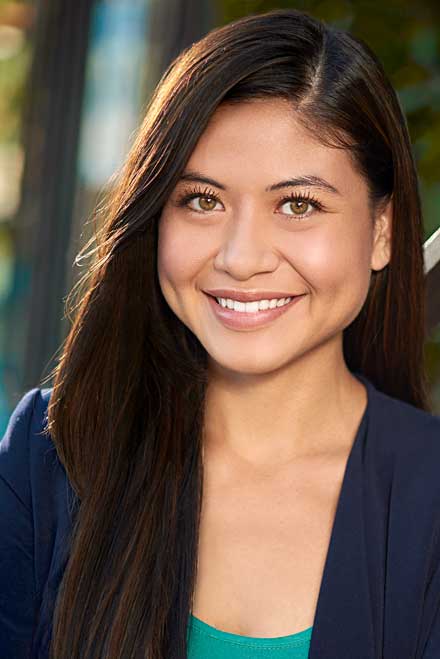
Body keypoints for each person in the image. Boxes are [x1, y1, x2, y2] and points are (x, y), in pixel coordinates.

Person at [1, 7, 439, 659]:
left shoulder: (428, 496)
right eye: (202, 200)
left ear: (381, 231)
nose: (240, 256)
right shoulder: (53, 456)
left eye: (298, 204)